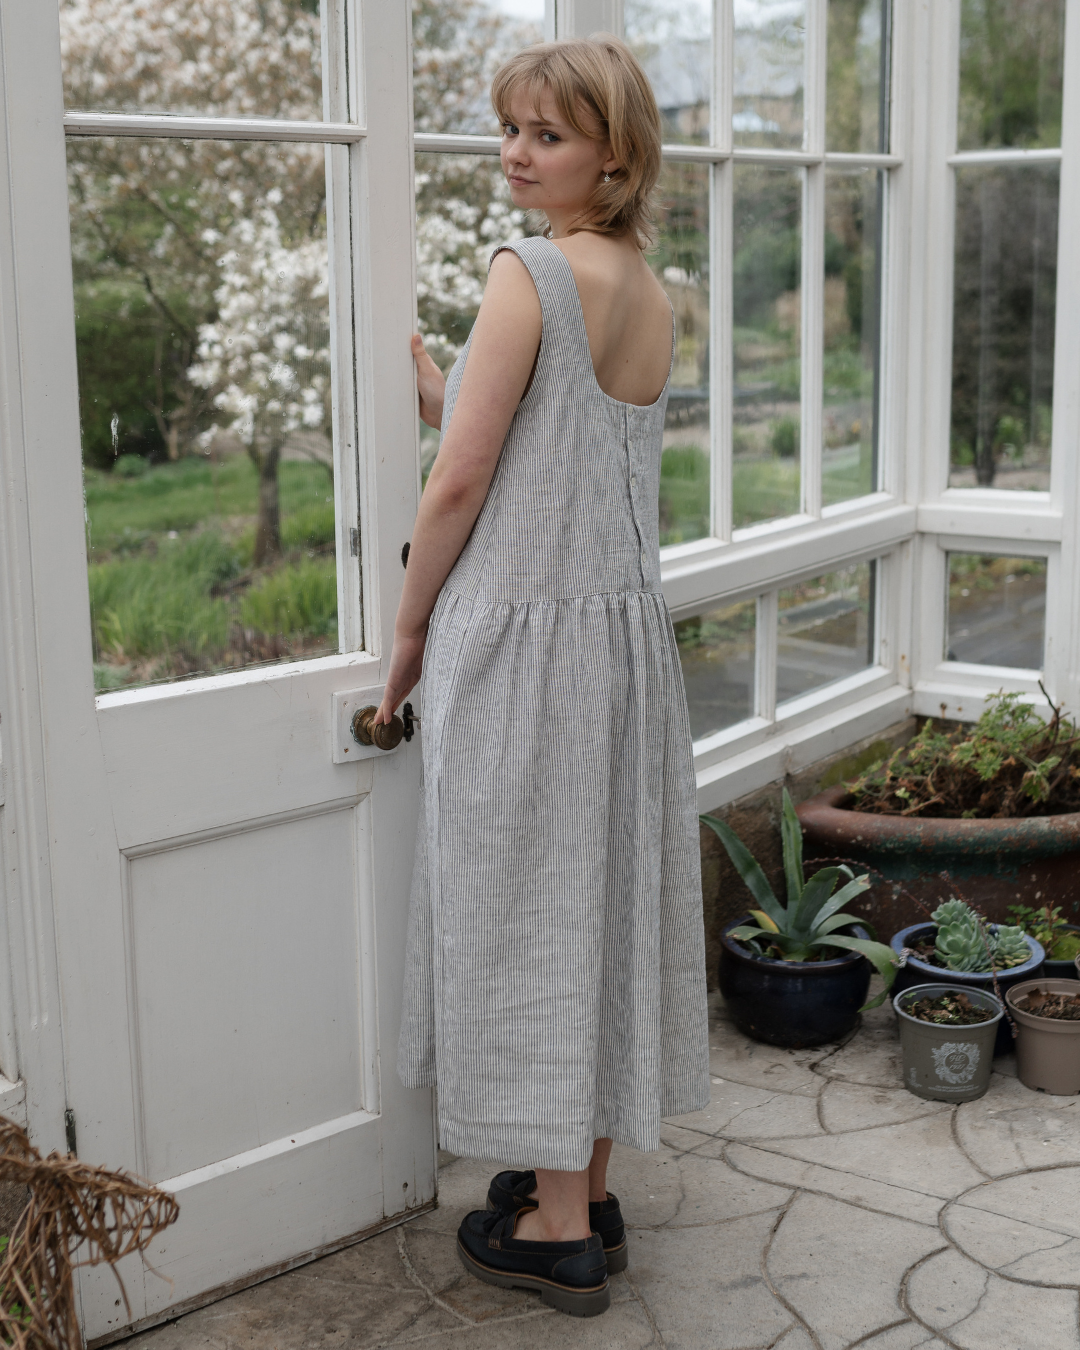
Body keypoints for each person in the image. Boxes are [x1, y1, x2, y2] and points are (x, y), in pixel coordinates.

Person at [375, 34, 709, 1319]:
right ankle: (594, 1191)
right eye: (509, 128)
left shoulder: (527, 271)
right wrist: (446, 389)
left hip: (528, 642)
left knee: (534, 921)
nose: (517, 152)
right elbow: (556, 443)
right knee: (604, 906)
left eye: (547, 135)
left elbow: (463, 483)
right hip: (624, 640)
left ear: (612, 154)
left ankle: (557, 1229)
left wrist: (407, 639)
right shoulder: (643, 283)